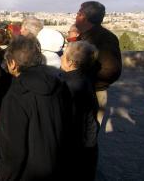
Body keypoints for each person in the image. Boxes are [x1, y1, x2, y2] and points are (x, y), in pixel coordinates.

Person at [0, 35, 73, 181]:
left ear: (12, 63)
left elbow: (12, 151)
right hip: (58, 166)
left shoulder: (15, 95)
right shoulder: (59, 84)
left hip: (29, 173)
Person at [75, 1, 122, 126]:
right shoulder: (85, 36)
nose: (75, 16)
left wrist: (85, 79)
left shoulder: (104, 39)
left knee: (87, 136)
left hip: (92, 94)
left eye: (78, 13)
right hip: (85, 91)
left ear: (83, 17)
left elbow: (111, 70)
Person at [60, 41, 99, 181]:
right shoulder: (86, 79)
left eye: (63, 55)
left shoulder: (65, 84)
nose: (61, 58)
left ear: (70, 62)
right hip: (86, 143)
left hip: (71, 146)